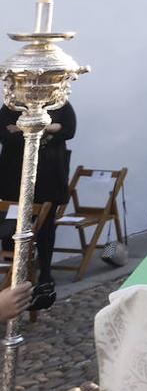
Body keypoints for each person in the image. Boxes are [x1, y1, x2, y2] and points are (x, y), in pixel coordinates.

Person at [0, 99, 75, 311]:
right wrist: (50, 128)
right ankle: (13, 275)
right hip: (14, 179)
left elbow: (69, 129)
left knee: (46, 228)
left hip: (48, 178)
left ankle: (45, 273)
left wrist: (25, 128)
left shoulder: (59, 104)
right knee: (10, 227)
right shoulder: (12, 105)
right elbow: (5, 135)